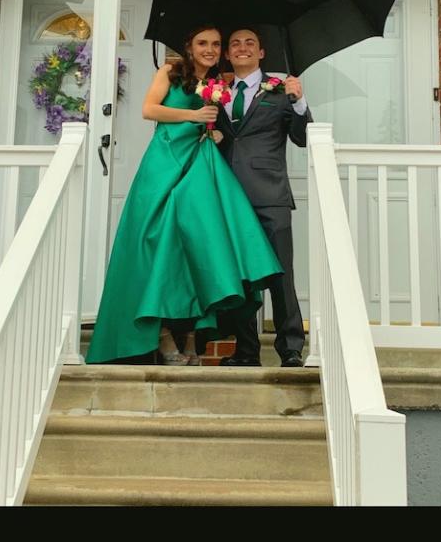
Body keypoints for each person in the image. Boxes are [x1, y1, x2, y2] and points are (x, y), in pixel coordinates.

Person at [86, 25, 283, 367]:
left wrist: (216, 131)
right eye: (202, 43)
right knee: (159, 243)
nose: (209, 49)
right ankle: (161, 337)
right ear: (189, 47)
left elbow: (222, 121)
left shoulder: (220, 84)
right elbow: (150, 110)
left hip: (201, 164)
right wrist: (193, 115)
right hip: (166, 162)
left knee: (197, 248)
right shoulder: (169, 71)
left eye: (215, 44)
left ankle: (191, 336)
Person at [216, 28, 313, 368]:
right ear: (227, 54)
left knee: (280, 274)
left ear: (261, 53)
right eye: (235, 43)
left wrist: (299, 101)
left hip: (270, 193)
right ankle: (246, 350)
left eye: (249, 43)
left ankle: (290, 349)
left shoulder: (280, 90)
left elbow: (303, 138)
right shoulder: (216, 92)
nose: (242, 48)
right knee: (240, 275)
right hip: (229, 197)